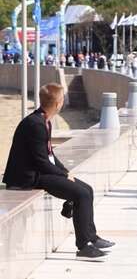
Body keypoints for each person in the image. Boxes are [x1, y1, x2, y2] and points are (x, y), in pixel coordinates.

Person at [2, 83, 115, 259]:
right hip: (28, 177)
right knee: (81, 194)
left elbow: (49, 154)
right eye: (62, 99)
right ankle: (83, 246)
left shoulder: (43, 120)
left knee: (87, 190)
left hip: (39, 171)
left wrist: (65, 171)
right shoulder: (35, 124)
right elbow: (41, 162)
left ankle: (92, 237)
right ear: (57, 104)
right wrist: (63, 175)